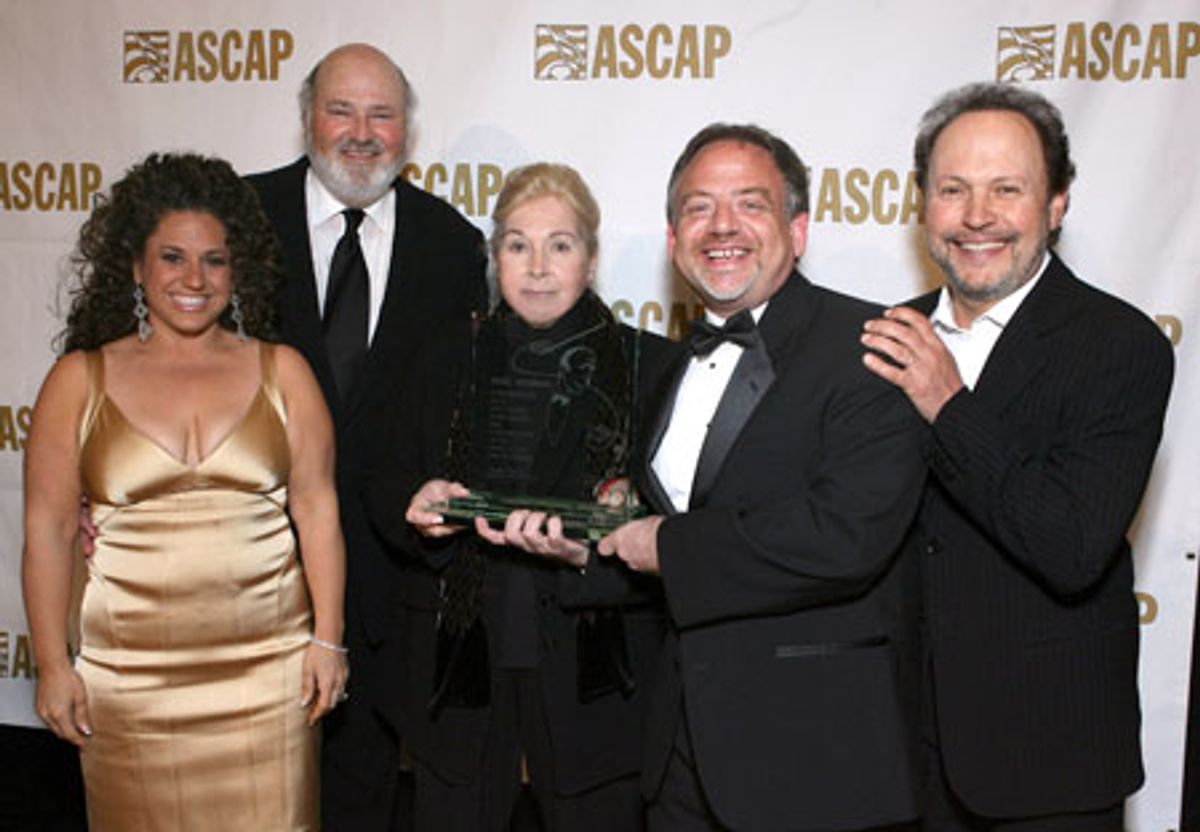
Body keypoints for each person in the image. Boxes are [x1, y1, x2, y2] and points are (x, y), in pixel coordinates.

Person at [860, 83, 1174, 831]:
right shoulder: (884, 340)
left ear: (1057, 203)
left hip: (1046, 771)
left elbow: (1070, 544)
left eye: (1008, 189)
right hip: (897, 762)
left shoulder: (1119, 347)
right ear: (923, 205)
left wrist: (949, 404)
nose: (977, 216)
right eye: (954, 190)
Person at [597, 124, 926, 832]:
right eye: (697, 207)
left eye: (750, 204)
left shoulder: (869, 346)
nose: (721, 227)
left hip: (809, 758)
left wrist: (668, 547)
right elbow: (679, 512)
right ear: (671, 237)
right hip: (680, 754)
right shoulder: (667, 365)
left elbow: (847, 536)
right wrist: (593, 536)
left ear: (798, 230)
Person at [22, 152, 348, 829]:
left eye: (215, 261)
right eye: (172, 258)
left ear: (240, 269)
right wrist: (53, 664)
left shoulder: (283, 372)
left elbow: (317, 511)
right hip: (127, 684)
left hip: (270, 675)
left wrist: (328, 640)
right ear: (137, 268)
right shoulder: (77, 382)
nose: (194, 280)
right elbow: (49, 532)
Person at [364, 162, 676, 830]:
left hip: (596, 663)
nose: (537, 266)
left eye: (559, 245)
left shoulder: (653, 367)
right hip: (458, 658)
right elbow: (383, 478)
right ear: (494, 257)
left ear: (590, 260)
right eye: (516, 244)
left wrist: (594, 551)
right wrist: (414, 507)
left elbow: (680, 524)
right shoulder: (444, 356)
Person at [246, 43, 488, 829]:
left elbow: (461, 411)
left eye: (381, 114)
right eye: (341, 110)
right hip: (247, 573)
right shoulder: (240, 221)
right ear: (308, 118)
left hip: (391, 590)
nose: (361, 132)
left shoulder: (452, 246)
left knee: (361, 797)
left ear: (407, 130)